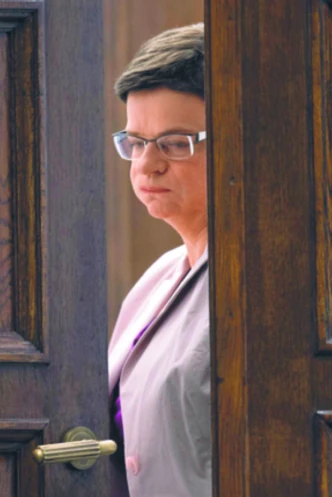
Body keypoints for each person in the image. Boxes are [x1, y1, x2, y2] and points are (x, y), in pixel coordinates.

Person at [107, 23, 210, 497]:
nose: (147, 165)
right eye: (135, 142)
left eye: (174, 143)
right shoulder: (156, 278)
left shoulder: (268, 281)